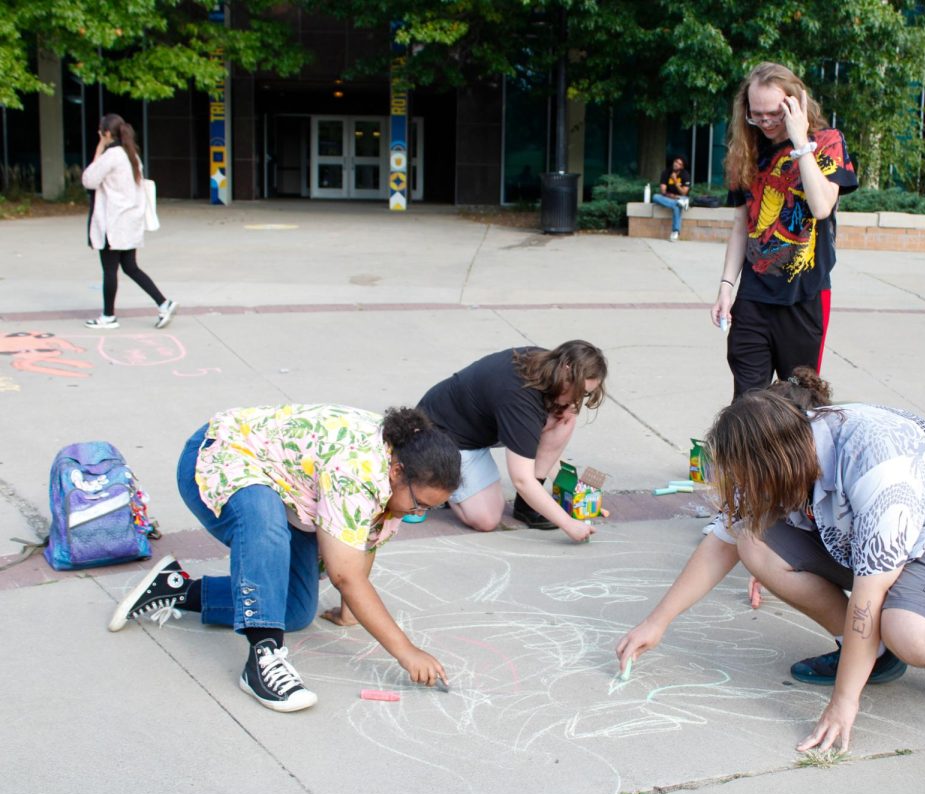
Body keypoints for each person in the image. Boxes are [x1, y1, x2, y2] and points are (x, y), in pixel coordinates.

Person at [617, 386, 925, 753]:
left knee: (909, 633)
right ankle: (873, 656)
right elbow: (722, 542)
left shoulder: (877, 467)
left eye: (749, 480)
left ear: (774, 464)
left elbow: (869, 597)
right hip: (861, 537)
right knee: (753, 541)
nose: (744, 489)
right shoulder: (783, 448)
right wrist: (656, 622)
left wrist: (844, 704)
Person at [108, 404, 462, 713]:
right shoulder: (358, 472)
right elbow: (347, 576)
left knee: (292, 610)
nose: (419, 514)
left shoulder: (399, 465)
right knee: (267, 527)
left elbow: (363, 537)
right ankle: (263, 657)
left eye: (429, 509)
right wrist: (406, 651)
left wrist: (349, 610)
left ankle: (176, 589)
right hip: (219, 456)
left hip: (283, 487)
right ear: (398, 472)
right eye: (418, 505)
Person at [711, 62, 858, 398]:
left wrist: (799, 139)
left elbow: (821, 207)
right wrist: (725, 286)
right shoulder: (745, 152)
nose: (764, 122)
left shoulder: (828, 142)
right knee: (749, 404)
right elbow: (740, 227)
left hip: (804, 296)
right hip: (753, 296)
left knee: (799, 403)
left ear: (794, 103)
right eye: (756, 114)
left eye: (774, 114)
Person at [417, 340, 607, 542]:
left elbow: (542, 455)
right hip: (444, 435)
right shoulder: (519, 398)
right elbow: (521, 479)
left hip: (481, 425)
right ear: (566, 371)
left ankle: (526, 507)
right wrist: (569, 524)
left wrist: (578, 497)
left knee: (565, 416)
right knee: (486, 519)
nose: (579, 399)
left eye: (585, 394)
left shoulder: (550, 365)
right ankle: (443, 482)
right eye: (579, 391)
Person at [80, 113, 177, 330]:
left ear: (107, 133)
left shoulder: (111, 155)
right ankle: (164, 303)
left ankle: (108, 316)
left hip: (112, 223)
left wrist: (98, 149)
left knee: (109, 270)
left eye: (100, 131)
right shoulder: (131, 154)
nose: (98, 134)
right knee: (130, 267)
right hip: (128, 221)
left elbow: (89, 180)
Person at [651, 155, 692, 242]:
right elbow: (663, 191)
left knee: (677, 206)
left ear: (682, 167)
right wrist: (673, 197)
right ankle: (676, 231)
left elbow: (684, 192)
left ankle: (675, 231)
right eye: (676, 162)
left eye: (679, 164)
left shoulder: (685, 175)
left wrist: (675, 180)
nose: (676, 164)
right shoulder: (666, 172)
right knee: (655, 197)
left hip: (682, 197)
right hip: (669, 198)